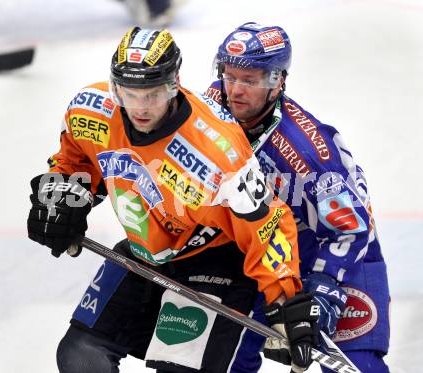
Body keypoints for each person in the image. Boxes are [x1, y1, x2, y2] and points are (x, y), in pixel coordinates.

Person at [27, 27, 319, 373]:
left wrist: (283, 301)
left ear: (174, 84)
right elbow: (76, 158)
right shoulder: (91, 109)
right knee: (80, 358)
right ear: (114, 87)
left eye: (151, 95)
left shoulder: (218, 152)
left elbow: (266, 225)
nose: (140, 108)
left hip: (214, 260)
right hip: (145, 251)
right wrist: (64, 196)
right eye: (128, 94)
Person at [204, 22, 391, 373]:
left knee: (355, 364)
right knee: (223, 359)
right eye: (229, 76)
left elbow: (350, 230)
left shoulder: (306, 152)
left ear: (277, 82)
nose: (235, 91)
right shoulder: (211, 105)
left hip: (339, 252)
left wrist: (320, 291)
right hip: (266, 253)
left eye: (250, 80)